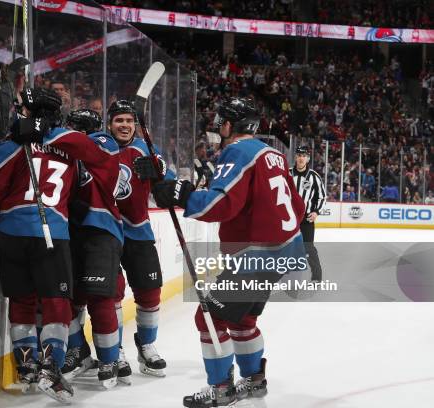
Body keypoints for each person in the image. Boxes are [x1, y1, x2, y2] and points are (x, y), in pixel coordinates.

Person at [148, 97, 305, 407]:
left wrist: (183, 195)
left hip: (259, 255)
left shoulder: (237, 151)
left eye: (222, 118)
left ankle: (220, 386)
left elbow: (219, 204)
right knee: (242, 320)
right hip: (285, 250)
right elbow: (295, 208)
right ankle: (254, 380)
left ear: (232, 123)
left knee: (209, 317)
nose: (217, 123)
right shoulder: (272, 153)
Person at [0, 88, 119, 403]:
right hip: (52, 231)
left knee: (22, 300)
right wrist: (53, 134)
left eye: (23, 109)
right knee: (56, 301)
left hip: (11, 231)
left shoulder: (11, 144)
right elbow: (94, 163)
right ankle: (51, 369)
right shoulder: (71, 148)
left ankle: (28, 365)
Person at [107, 100, 174, 382]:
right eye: (119, 120)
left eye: (129, 121)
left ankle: (146, 345)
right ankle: (115, 349)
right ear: (109, 124)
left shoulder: (147, 149)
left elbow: (166, 182)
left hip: (138, 230)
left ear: (136, 125)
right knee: (112, 294)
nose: (124, 125)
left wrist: (158, 173)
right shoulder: (100, 147)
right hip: (106, 231)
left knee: (150, 290)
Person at [61, 109, 123, 388]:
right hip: (71, 231)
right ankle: (80, 352)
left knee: (100, 299)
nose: (67, 130)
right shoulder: (68, 151)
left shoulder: (103, 143)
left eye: (73, 127)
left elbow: (80, 145)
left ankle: (109, 358)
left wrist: (50, 132)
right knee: (66, 298)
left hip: (100, 230)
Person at [290, 146, 326, 281]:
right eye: (299, 155)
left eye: (304, 156)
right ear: (295, 157)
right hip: (290, 218)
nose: (301, 158)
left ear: (308, 158)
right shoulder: (287, 174)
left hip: (306, 219)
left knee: (309, 248)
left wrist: (316, 212)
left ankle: (317, 276)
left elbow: (322, 197)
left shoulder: (314, 176)